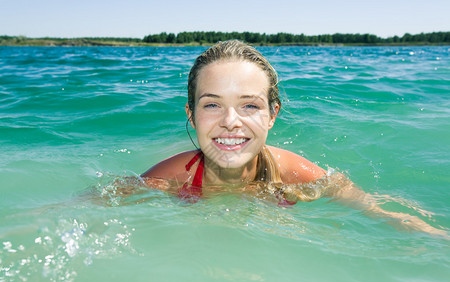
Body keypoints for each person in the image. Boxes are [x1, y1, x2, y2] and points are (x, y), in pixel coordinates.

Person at [141, 40, 446, 237]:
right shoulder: (168, 179)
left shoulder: (295, 175)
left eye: (250, 105)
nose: (230, 122)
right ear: (191, 115)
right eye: (211, 104)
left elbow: (378, 212)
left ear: (272, 114)